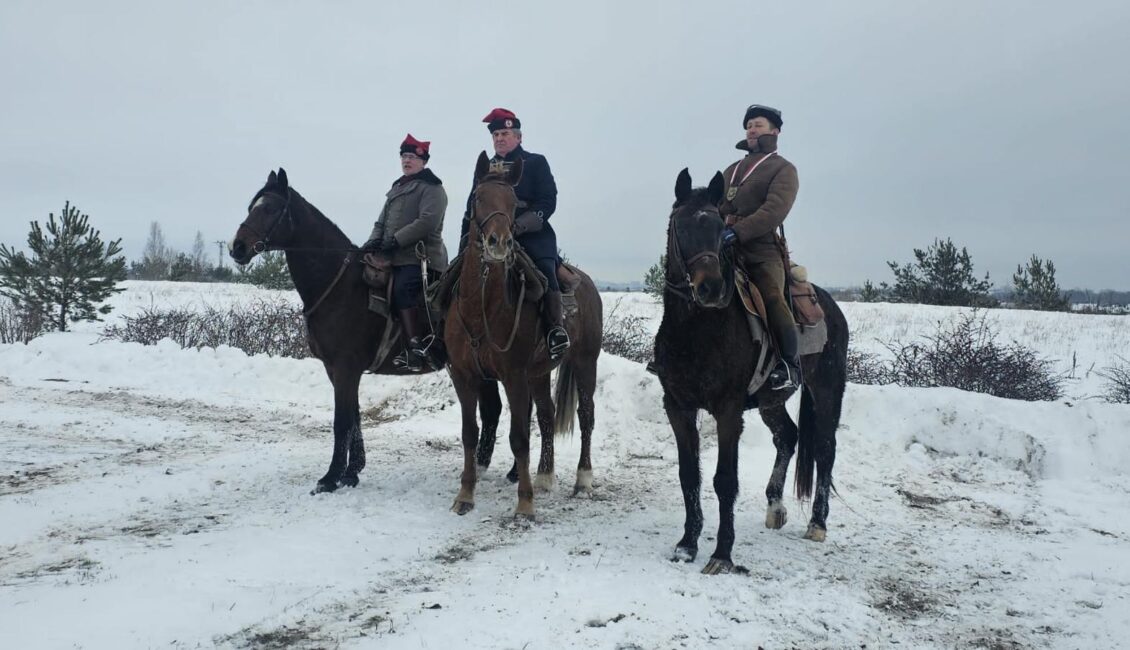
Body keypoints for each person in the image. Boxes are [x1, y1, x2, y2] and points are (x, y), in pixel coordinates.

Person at [459, 107, 569, 359]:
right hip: (488, 236)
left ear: (518, 137)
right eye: (496, 134)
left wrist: (521, 225)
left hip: (530, 233)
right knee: (455, 280)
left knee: (545, 268)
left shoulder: (535, 162)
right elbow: (471, 210)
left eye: (505, 133)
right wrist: (464, 244)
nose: (499, 138)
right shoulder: (484, 169)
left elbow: (547, 201)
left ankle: (555, 330)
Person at [718, 104, 801, 390]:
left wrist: (738, 232)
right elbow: (717, 205)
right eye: (749, 125)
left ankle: (789, 364)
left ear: (774, 131)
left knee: (771, 296)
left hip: (761, 250)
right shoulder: (731, 169)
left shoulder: (783, 169)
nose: (751, 129)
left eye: (758, 125)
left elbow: (774, 211)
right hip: (724, 248)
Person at [362, 133, 449, 371]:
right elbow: (381, 223)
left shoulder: (433, 188)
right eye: (404, 156)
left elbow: (427, 222)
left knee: (402, 289)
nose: (406, 161)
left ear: (423, 161)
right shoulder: (397, 188)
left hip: (421, 258)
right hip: (393, 257)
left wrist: (396, 240)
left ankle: (416, 347)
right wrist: (372, 243)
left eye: (411, 157)